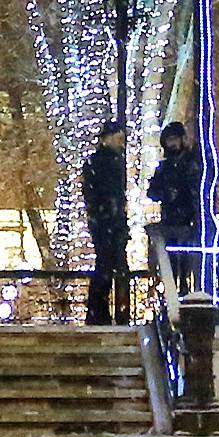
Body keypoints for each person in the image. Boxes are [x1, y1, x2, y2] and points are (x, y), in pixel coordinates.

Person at [81, 120, 130, 326]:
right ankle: (106, 312)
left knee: (107, 266)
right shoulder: (106, 163)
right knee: (109, 266)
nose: (121, 143)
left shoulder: (103, 163)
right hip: (108, 223)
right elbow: (103, 194)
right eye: (118, 139)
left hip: (107, 222)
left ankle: (100, 312)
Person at [147, 120, 203, 279]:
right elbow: (152, 192)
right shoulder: (165, 168)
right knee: (171, 261)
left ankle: (185, 287)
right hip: (170, 221)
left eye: (174, 139)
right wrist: (166, 193)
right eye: (169, 140)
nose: (171, 144)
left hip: (188, 221)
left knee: (187, 258)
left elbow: (194, 190)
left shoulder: (191, 164)